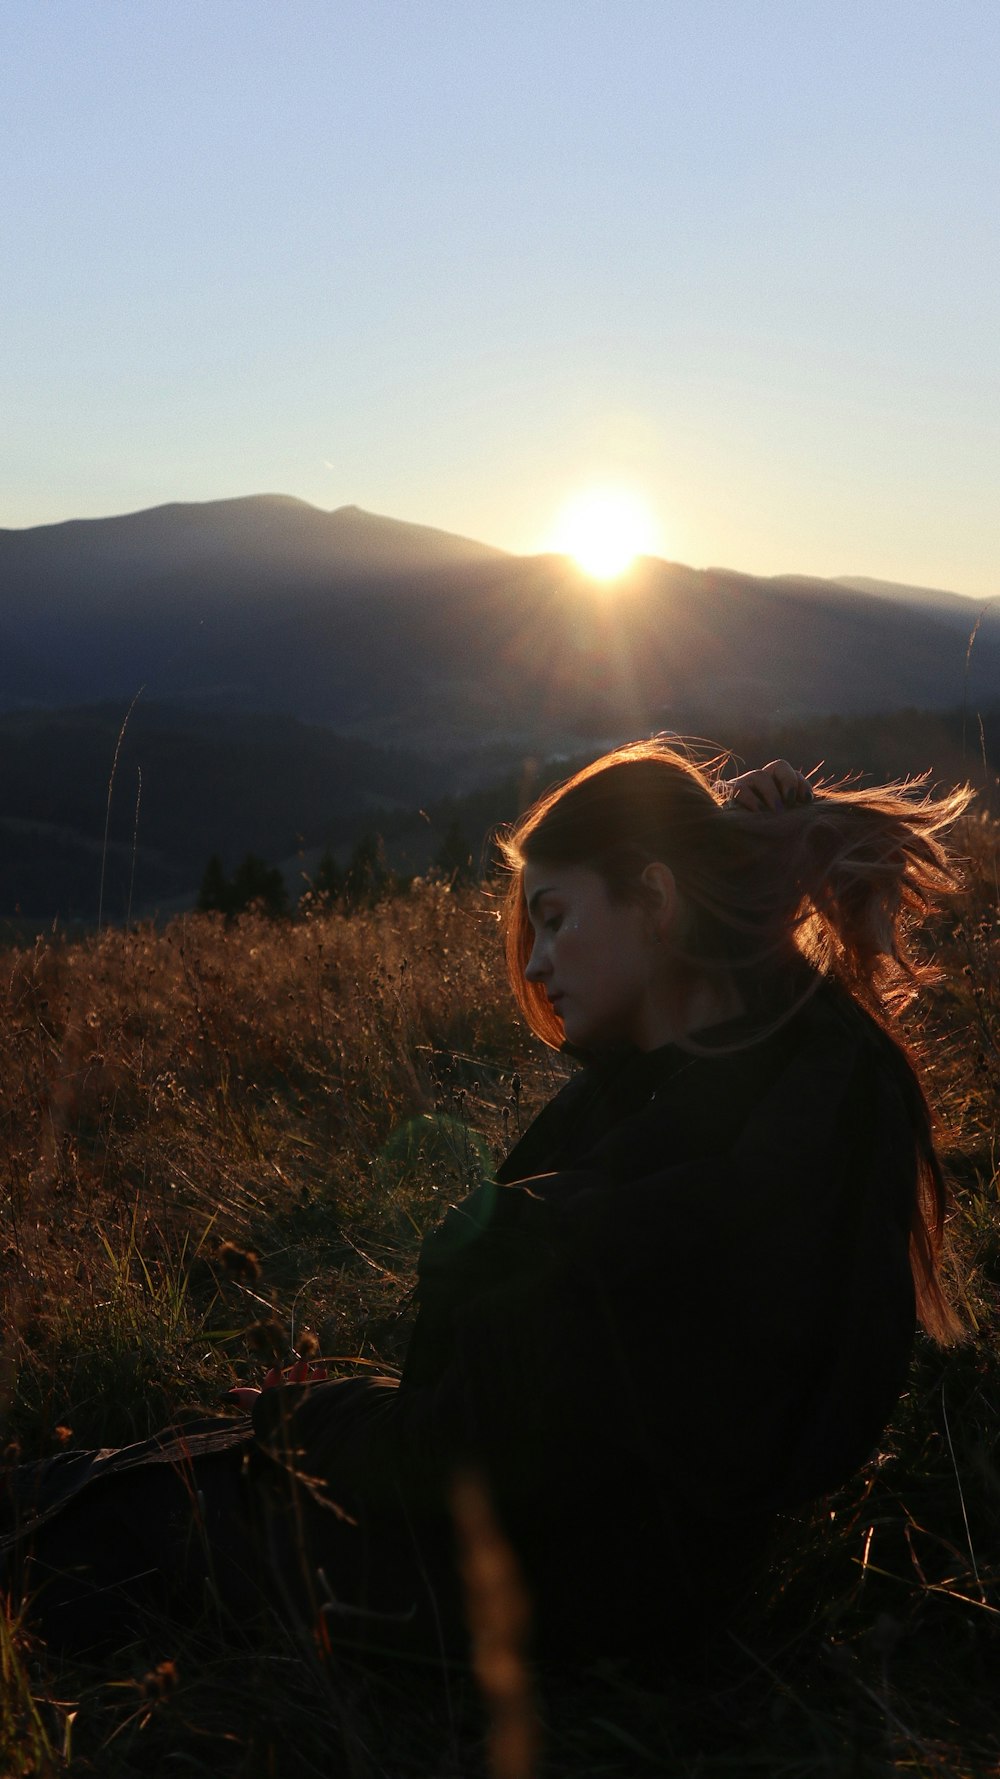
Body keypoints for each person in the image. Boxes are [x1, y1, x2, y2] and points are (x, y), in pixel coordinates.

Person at [1, 744, 970, 1671]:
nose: (537, 963)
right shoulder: (789, 1096)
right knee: (128, 1477)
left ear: (654, 900)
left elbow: (460, 1458)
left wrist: (307, 1416)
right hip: (629, 1581)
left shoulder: (655, 1186)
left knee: (92, 1516)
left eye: (554, 916)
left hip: (494, 1595)